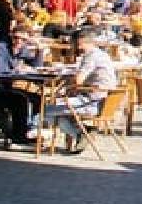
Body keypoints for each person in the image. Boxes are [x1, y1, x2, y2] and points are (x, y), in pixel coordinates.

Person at [43, 27, 118, 155]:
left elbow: (78, 80)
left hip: (91, 102)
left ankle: (79, 133)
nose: (77, 47)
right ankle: (81, 130)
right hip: (104, 100)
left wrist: (67, 87)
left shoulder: (91, 56)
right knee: (59, 109)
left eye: (77, 43)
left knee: (45, 110)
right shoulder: (102, 54)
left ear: (82, 42)